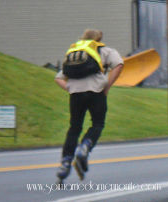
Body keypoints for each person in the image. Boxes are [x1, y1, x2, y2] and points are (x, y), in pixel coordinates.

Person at [54, 29, 123, 183]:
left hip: (75, 94)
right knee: (97, 124)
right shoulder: (104, 50)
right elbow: (119, 64)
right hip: (96, 91)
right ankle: (85, 147)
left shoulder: (75, 53)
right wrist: (107, 86)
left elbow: (58, 78)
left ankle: (65, 163)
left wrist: (70, 88)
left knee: (74, 127)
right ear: (99, 39)